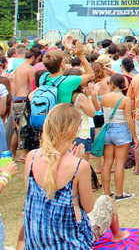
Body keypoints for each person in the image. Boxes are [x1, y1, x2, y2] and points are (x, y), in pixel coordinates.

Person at [23, 103, 130, 248]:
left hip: (36, 242)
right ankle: (118, 234)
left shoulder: (31, 156)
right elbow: (89, 208)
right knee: (106, 201)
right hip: (70, 243)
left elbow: (35, 194)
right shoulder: (79, 166)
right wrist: (78, 161)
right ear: (75, 128)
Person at [100, 73, 138, 200]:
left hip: (107, 129)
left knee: (107, 163)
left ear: (111, 84)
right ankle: (119, 193)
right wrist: (135, 137)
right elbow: (129, 120)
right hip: (121, 129)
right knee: (119, 164)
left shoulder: (104, 97)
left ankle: (107, 192)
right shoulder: (125, 99)